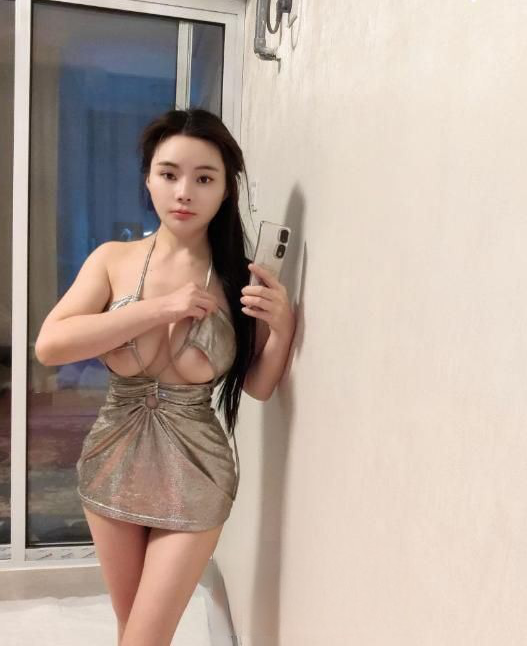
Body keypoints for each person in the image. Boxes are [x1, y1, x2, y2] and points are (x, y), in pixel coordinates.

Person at [34, 107, 296, 646]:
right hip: (112, 461)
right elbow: (50, 345)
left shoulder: (239, 280)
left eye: (204, 178)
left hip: (197, 473)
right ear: (148, 179)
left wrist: (283, 328)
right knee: (130, 629)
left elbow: (257, 386)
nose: (184, 192)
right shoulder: (113, 260)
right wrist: (158, 309)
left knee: (144, 639)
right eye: (169, 173)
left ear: (225, 190)